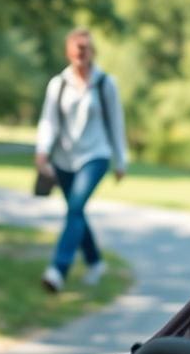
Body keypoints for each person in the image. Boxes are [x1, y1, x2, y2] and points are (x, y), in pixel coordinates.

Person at [35, 27, 128, 292]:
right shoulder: (58, 84)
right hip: (64, 158)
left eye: (85, 48)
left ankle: (57, 270)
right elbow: (49, 121)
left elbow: (117, 124)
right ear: (68, 51)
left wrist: (120, 161)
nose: (81, 52)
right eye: (76, 48)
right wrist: (42, 151)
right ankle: (95, 261)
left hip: (95, 156)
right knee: (76, 211)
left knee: (75, 208)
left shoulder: (105, 83)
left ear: (92, 52)